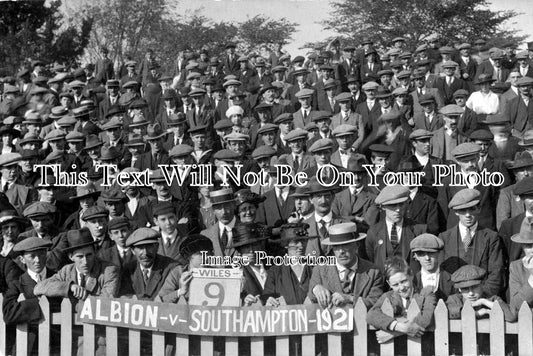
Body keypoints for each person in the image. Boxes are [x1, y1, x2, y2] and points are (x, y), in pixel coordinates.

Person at [439, 188, 504, 297]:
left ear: (478, 209)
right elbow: (443, 276)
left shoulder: (491, 237)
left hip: (483, 299)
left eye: (471, 209)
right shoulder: (444, 238)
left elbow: (496, 274)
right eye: (463, 210)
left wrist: (480, 297)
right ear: (456, 212)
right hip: (452, 301)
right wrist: (454, 301)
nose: (468, 215)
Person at [366, 256, 436, 355]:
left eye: (404, 281)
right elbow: (371, 315)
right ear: (389, 284)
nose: (401, 287)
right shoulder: (387, 297)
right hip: (397, 351)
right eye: (395, 285)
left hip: (422, 349)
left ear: (411, 275)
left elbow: (426, 319)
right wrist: (398, 326)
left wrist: (393, 333)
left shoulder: (426, 293)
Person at [309, 222, 383, 308]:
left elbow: (376, 301)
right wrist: (315, 289)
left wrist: (350, 299)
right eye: (336, 246)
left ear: (357, 246)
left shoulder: (373, 271)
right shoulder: (320, 269)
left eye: (345, 245)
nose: (341, 252)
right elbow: (310, 297)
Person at [2, 238, 54, 356]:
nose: (37, 260)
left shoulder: (57, 277)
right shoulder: (16, 284)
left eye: (41, 254)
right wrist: (39, 304)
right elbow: (8, 313)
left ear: (47, 254)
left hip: (57, 344)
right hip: (28, 347)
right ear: (22, 259)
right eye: (32, 256)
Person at [410, 234, 454, 300]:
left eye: (431, 253)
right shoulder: (412, 281)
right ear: (416, 256)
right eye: (421, 254)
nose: (427, 258)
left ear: (438, 253)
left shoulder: (452, 280)